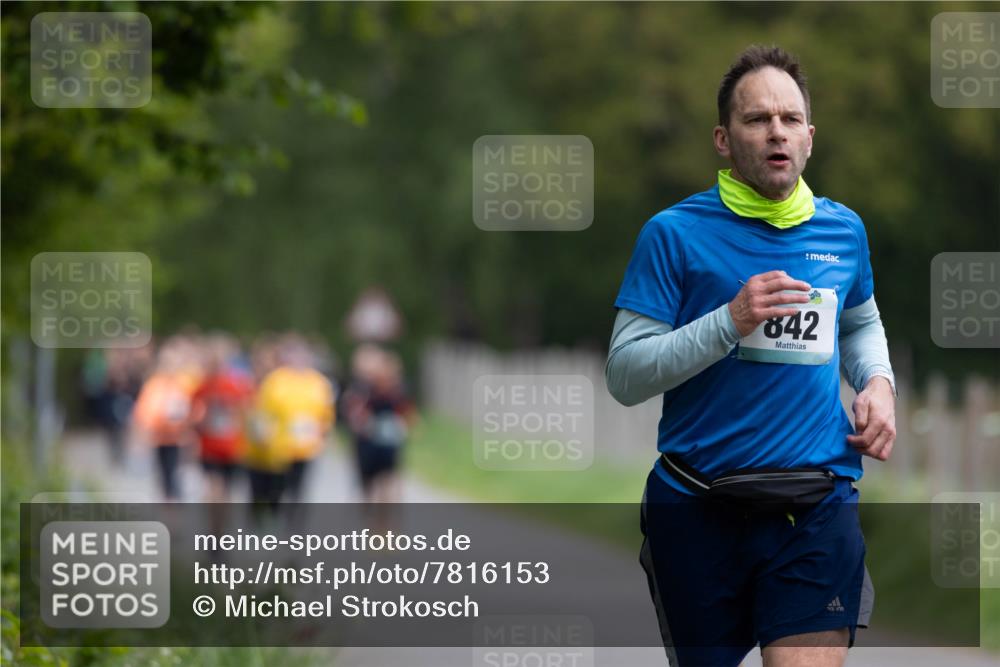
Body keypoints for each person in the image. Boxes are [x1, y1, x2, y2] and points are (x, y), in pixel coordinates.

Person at [605, 45, 896, 667]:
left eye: (791, 119)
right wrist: (730, 321)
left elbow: (859, 321)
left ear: (810, 137)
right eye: (757, 119)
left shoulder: (843, 231)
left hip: (816, 503)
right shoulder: (673, 234)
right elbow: (625, 374)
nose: (776, 132)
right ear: (723, 138)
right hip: (697, 503)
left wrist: (877, 381)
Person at [342, 345, 416, 504]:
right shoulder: (365, 390)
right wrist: (363, 421)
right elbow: (354, 412)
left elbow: (408, 414)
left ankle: (385, 511)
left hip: (389, 444)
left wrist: (405, 425)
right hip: (367, 443)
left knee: (389, 480)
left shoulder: (398, 392)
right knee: (367, 483)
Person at [132, 338, 201, 501]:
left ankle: (176, 501)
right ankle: (169, 502)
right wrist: (142, 435)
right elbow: (144, 411)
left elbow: (195, 409)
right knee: (165, 474)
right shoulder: (155, 384)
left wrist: (191, 429)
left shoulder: (185, 383)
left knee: (179, 473)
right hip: (160, 438)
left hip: (180, 438)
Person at [190, 334, 254, 503]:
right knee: (214, 489)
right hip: (209, 446)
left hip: (231, 447)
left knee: (226, 493)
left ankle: (221, 518)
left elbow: (246, 412)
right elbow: (193, 414)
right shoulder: (202, 386)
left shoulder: (237, 385)